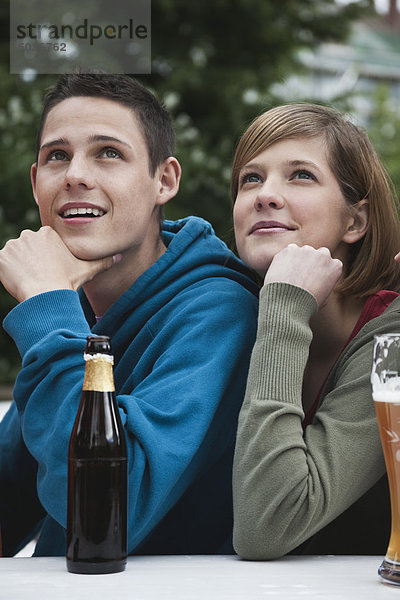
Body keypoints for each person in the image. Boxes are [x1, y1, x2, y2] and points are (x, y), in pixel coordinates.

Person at [0, 73, 259, 556]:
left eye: (108, 153)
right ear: (36, 184)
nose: (75, 174)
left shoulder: (219, 311)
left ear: (164, 180)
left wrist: (45, 303)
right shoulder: (73, 309)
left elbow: (105, 512)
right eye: (57, 155)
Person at [231, 103, 400, 559]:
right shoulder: (225, 316)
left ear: (356, 221)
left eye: (300, 175)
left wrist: (286, 306)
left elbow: (266, 528)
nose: (265, 195)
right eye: (251, 178)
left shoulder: (394, 337)